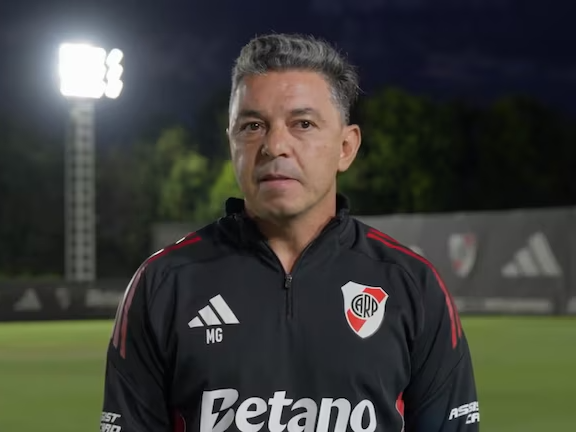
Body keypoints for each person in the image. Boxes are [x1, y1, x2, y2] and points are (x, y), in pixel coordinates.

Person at [101, 33, 480, 432]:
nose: (275, 145)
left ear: (346, 147)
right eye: (252, 126)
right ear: (232, 143)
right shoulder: (164, 283)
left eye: (303, 124)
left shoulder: (412, 285)